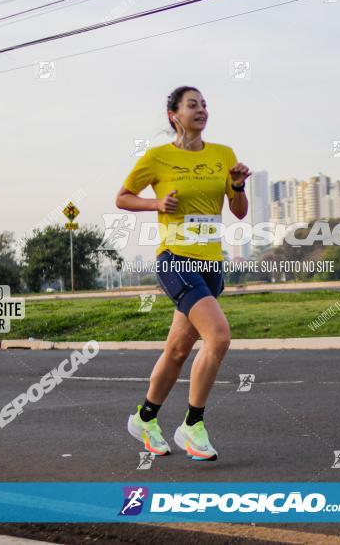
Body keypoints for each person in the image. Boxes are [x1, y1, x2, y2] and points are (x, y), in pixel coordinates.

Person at [116, 86, 251, 461]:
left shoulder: (224, 155)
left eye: (205, 104)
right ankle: (192, 425)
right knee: (219, 337)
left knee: (177, 351)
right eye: (193, 105)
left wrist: (238, 185)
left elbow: (238, 211)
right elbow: (123, 197)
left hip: (211, 266)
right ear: (174, 114)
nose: (202, 110)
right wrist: (156, 202)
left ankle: (145, 418)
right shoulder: (157, 157)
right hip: (176, 260)